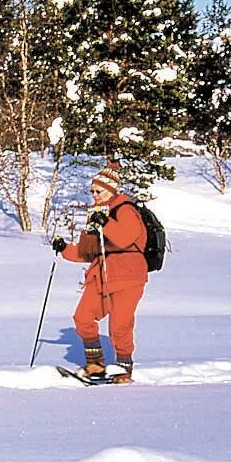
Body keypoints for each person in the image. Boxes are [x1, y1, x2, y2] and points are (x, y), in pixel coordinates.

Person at [52, 164, 148, 384]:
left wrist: (106, 223)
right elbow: (88, 252)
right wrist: (64, 248)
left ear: (112, 190)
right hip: (102, 276)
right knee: (83, 317)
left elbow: (125, 239)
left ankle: (123, 371)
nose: (94, 195)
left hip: (128, 276)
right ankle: (95, 366)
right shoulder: (97, 214)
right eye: (92, 191)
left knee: (120, 325)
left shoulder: (126, 210)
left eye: (99, 191)